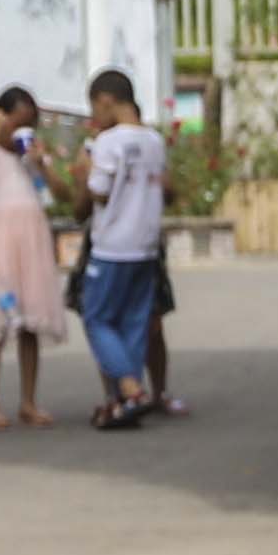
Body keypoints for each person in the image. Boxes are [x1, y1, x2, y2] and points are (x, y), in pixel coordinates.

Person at [0, 84, 73, 428]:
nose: (22, 129)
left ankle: (28, 401)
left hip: (32, 240)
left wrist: (42, 165)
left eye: (29, 122)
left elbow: (64, 194)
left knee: (30, 322)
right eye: (17, 121)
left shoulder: (33, 154)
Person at [74, 68, 174, 429]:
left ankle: (130, 388)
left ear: (106, 101)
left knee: (97, 318)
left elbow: (99, 193)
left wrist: (85, 171)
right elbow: (164, 188)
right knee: (134, 323)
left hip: (112, 246)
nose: (94, 118)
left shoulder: (108, 142)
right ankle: (126, 402)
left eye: (94, 109)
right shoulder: (154, 141)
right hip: (145, 246)